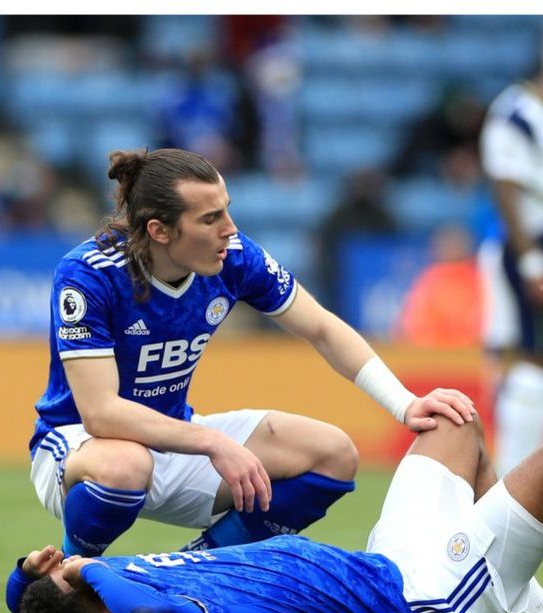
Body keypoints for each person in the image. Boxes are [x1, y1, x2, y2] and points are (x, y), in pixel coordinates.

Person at [30, 147, 475, 563]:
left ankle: (190, 569)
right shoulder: (89, 274)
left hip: (174, 436)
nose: (229, 228)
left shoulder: (235, 256)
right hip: (78, 449)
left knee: (333, 453)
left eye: (227, 209)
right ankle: (71, 571)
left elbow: (321, 328)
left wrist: (405, 403)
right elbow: (102, 414)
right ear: (160, 230)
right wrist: (213, 442)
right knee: (126, 463)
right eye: (210, 218)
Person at [8, 413, 543, 613]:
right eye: (69, 577)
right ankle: (509, 599)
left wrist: (25, 575)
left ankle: (525, 605)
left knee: (454, 420)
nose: (69, 565)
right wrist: (91, 567)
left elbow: (32, 610)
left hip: (387, 564)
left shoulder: (110, 589)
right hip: (425, 605)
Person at [480, 69, 543, 613]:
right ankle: (515, 601)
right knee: (529, 363)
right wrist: (528, 262)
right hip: (531, 250)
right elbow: (506, 185)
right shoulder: (516, 112)